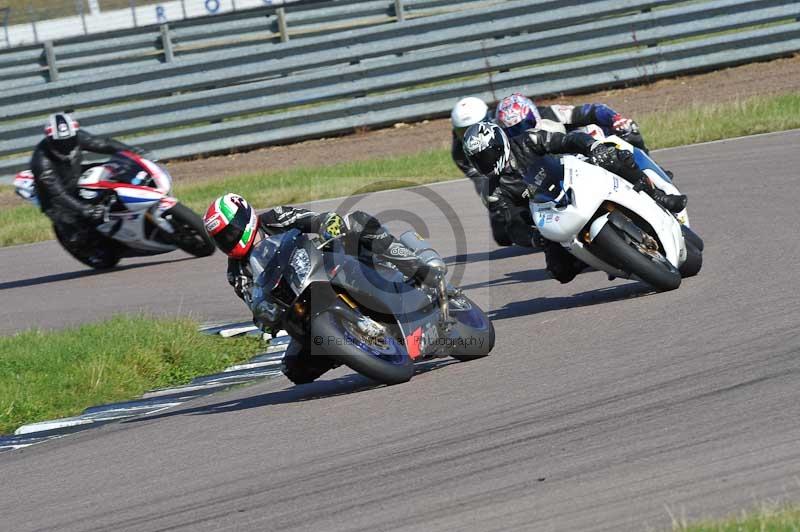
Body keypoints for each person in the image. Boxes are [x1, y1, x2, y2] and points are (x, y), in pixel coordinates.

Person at [462, 121, 687, 283]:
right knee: (561, 272)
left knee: (614, 157)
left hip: (573, 177)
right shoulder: (493, 192)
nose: (484, 163)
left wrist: (592, 147)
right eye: (478, 160)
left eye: (486, 155)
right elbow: (512, 226)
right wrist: (533, 238)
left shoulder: (528, 141)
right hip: (551, 215)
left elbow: (566, 140)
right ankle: (609, 257)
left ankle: (659, 196)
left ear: (499, 146)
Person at [203, 193, 443, 313]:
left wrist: (330, 225)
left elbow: (318, 219)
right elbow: (257, 305)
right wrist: (266, 315)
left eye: (229, 232)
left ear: (244, 218)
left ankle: (416, 268)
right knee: (295, 370)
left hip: (325, 264)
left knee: (356, 221)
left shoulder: (275, 218)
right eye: (221, 238)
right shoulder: (237, 273)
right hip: (302, 305)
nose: (228, 240)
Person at [30, 112, 150, 257]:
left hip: (76, 175)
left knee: (114, 170)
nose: (65, 145)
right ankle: (91, 248)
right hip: (54, 197)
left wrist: (131, 151)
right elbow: (57, 194)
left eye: (69, 140)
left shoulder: (78, 137)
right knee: (74, 225)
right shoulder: (41, 161)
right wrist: (85, 209)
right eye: (59, 142)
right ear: (49, 140)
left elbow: (103, 144)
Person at [495, 92, 650, 152]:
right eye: (514, 130)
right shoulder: (512, 150)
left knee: (628, 133)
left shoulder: (550, 113)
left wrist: (616, 120)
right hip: (559, 177)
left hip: (586, 152)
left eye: (525, 124)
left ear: (533, 114)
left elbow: (591, 111)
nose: (524, 132)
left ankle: (654, 178)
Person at [449, 96, 492, 194]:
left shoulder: (505, 130)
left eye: (475, 130)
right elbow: (480, 181)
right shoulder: (460, 154)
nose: (471, 138)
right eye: (463, 132)